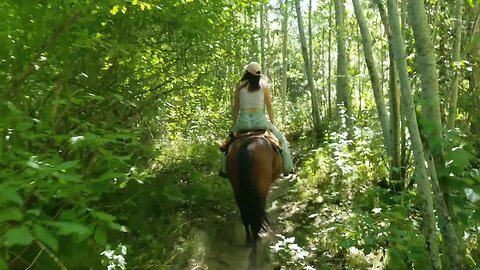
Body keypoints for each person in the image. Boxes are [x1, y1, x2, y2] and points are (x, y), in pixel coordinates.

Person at [219, 61, 293, 177]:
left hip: (244, 122)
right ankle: (288, 169)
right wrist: (272, 123)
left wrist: (234, 124)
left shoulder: (240, 85)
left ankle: (224, 170)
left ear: (247, 73)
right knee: (282, 141)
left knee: (227, 146)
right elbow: (269, 106)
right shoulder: (264, 85)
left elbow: (236, 107)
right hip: (260, 122)